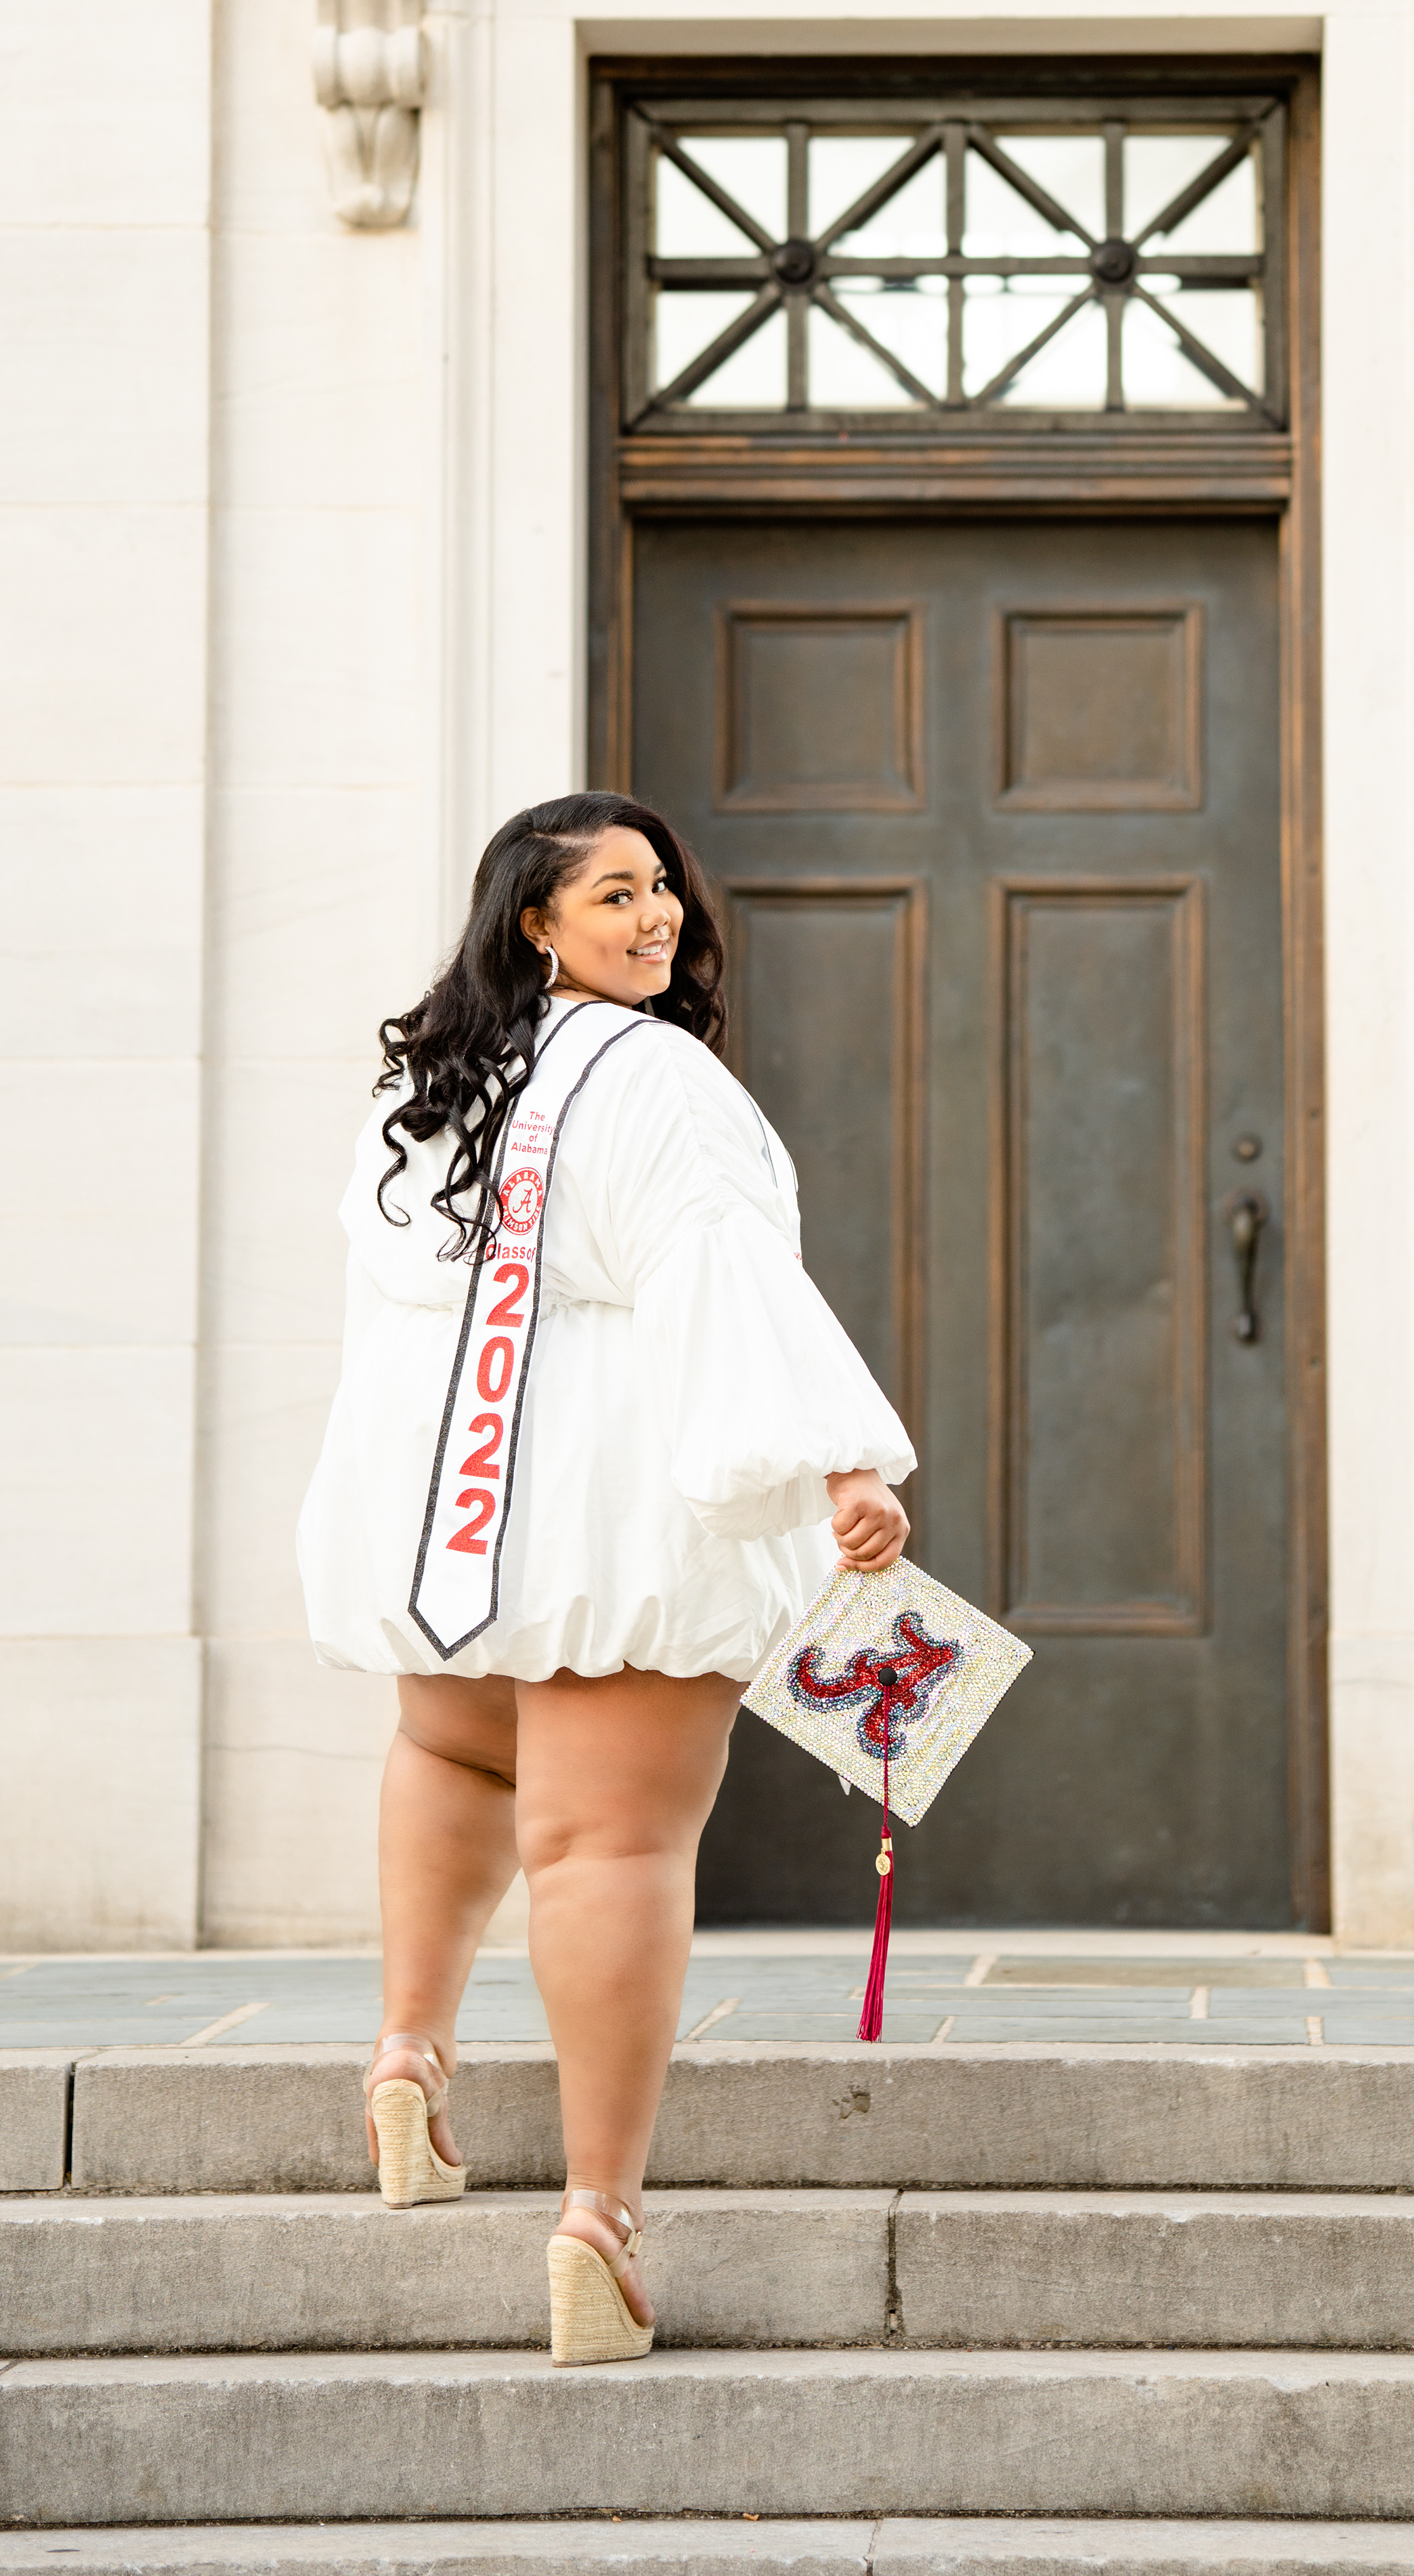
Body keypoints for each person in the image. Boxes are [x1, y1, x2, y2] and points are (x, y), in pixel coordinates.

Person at [296, 790, 914, 2366]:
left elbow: (394, 1307)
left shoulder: (436, 1085)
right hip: (607, 1504)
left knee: (448, 1745)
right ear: (535, 921)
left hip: (450, 1508)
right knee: (608, 1844)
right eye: (617, 896)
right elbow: (723, 1274)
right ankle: (599, 2223)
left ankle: (407, 2064)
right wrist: (844, 1463)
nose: (658, 921)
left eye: (665, 894)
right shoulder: (659, 1080)